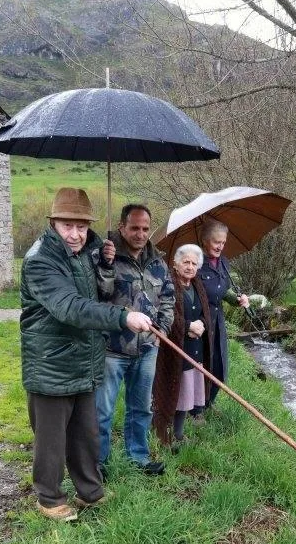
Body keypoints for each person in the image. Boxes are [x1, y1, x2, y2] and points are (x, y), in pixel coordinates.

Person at [20, 188, 152, 522]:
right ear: (53, 223)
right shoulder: (41, 260)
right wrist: (124, 317)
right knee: (51, 440)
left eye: (82, 226)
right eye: (68, 225)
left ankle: (90, 492)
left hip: (85, 359)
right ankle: (49, 499)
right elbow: (71, 308)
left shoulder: (90, 250)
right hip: (51, 362)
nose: (76, 233)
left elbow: (102, 293)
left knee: (86, 434)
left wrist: (106, 263)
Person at [96, 204, 175, 476]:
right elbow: (100, 295)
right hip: (112, 349)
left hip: (147, 349)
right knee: (102, 411)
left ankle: (138, 458)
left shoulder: (158, 262)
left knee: (140, 408)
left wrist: (162, 331)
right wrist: (105, 265)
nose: (140, 234)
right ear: (122, 227)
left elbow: (167, 299)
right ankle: (98, 464)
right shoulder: (106, 256)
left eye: (145, 228)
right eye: (134, 228)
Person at [153, 244, 212, 447]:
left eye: (194, 263)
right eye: (185, 262)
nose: (190, 266)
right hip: (173, 350)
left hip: (194, 350)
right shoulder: (168, 283)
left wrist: (202, 324)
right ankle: (163, 434)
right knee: (172, 392)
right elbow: (165, 314)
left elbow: (206, 311)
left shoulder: (197, 285)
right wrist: (187, 326)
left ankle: (178, 434)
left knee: (187, 394)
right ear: (176, 264)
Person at [196, 219, 249, 414]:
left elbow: (223, 290)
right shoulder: (195, 263)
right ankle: (197, 409)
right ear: (205, 240)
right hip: (200, 322)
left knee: (219, 365)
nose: (220, 246)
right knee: (201, 366)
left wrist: (237, 299)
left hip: (218, 322)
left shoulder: (224, 263)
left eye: (223, 242)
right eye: (216, 242)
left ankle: (209, 401)